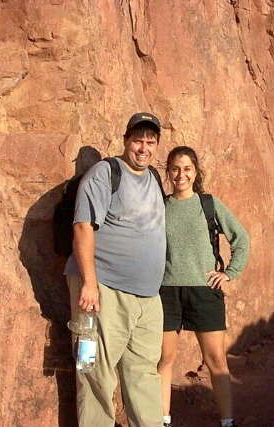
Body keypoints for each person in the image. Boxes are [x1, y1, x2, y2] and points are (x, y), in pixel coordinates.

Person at [64, 112, 166, 427]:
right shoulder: (104, 174)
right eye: (138, 141)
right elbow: (83, 226)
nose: (144, 148)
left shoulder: (154, 178)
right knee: (94, 370)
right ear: (125, 140)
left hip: (147, 297)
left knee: (144, 372)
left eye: (151, 142)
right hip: (104, 291)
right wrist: (89, 283)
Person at [157, 146, 250, 427]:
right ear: (168, 172)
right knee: (164, 360)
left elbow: (241, 239)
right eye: (175, 168)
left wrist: (229, 273)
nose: (180, 175)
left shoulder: (209, 204)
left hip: (204, 291)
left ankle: (227, 422)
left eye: (187, 169)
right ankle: (163, 421)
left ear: (196, 172)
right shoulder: (160, 206)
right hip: (167, 291)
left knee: (216, 361)